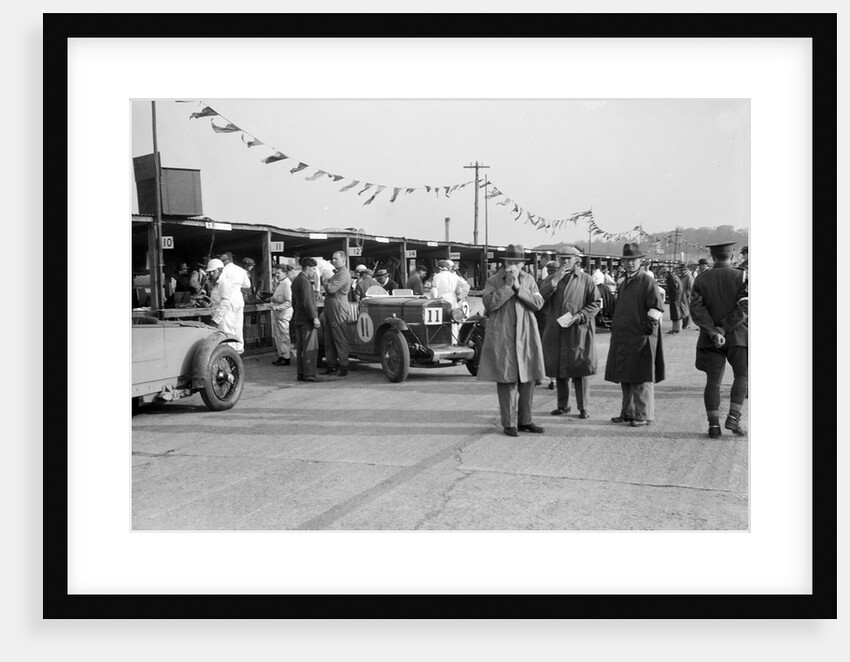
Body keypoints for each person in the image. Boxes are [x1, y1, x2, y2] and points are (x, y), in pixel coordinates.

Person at [477, 244, 546, 437]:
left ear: (523, 264)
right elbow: (489, 304)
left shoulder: (530, 280)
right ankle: (509, 423)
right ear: (504, 263)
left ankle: (526, 420)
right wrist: (508, 286)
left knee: (528, 378)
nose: (514, 266)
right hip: (503, 334)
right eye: (510, 262)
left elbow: (538, 303)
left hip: (526, 334)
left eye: (517, 262)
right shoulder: (493, 280)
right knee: (506, 379)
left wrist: (519, 288)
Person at [690, 241, 749, 438]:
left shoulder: (701, 278)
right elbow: (744, 308)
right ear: (732, 257)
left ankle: (713, 426)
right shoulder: (743, 276)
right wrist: (725, 327)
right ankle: (733, 417)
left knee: (713, 381)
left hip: (710, 338)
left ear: (712, 258)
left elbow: (697, 310)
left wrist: (714, 331)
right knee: (742, 376)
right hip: (739, 336)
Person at [604, 243, 666, 427]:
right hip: (624, 337)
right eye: (627, 260)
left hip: (640, 337)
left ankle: (644, 414)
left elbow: (657, 308)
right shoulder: (624, 282)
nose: (630, 263)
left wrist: (645, 327)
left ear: (640, 261)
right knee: (626, 376)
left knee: (641, 377)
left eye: (633, 260)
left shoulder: (647, 281)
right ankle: (628, 412)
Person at [539, 245, 601, 419]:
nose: (565, 262)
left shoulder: (586, 280)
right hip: (557, 331)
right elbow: (540, 298)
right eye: (562, 259)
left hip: (578, 330)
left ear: (576, 260)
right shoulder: (552, 278)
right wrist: (555, 279)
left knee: (580, 370)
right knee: (560, 370)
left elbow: (596, 303)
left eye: (568, 258)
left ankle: (583, 408)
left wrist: (580, 316)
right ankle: (563, 405)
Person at [321, 250, 352, 376]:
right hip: (331, 304)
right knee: (328, 337)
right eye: (332, 259)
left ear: (343, 260)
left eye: (335, 259)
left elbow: (331, 288)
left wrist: (325, 282)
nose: (333, 261)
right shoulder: (338, 273)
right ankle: (331, 364)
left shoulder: (343, 274)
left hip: (338, 305)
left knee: (339, 336)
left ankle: (343, 365)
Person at [291, 257, 322, 382]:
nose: (314, 272)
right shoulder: (305, 282)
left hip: (298, 317)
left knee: (300, 348)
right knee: (310, 348)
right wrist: (314, 317)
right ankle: (309, 374)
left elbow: (294, 301)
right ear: (307, 268)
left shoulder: (296, 280)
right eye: (313, 269)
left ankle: (301, 373)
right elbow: (307, 302)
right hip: (306, 319)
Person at [205, 258, 245, 354]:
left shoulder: (224, 282)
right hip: (220, 314)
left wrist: (216, 320)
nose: (211, 274)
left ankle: (232, 358)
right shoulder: (216, 283)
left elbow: (225, 303)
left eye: (213, 271)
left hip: (224, 314)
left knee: (227, 336)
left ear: (220, 270)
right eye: (209, 272)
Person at [430, 259, 470, 343]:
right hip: (453, 302)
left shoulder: (437, 276)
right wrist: (460, 297)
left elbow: (434, 290)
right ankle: (454, 342)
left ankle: (442, 341)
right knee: (454, 323)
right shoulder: (455, 276)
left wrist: (433, 299)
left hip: (441, 302)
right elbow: (466, 286)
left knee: (441, 323)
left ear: (440, 268)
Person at [536, 260, 560, 389]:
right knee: (556, 350)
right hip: (557, 319)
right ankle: (554, 379)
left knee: (541, 348)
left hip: (542, 318)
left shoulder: (541, 283)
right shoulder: (563, 283)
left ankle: (539, 376)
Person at [270, 265, 293, 366]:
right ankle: (282, 355)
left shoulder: (287, 284)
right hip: (278, 313)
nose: (277, 274)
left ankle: (286, 356)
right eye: (276, 272)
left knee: (284, 335)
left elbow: (289, 302)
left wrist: (277, 307)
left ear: (285, 273)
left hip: (283, 313)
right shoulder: (280, 284)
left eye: (279, 273)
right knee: (279, 335)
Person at [663, 266, 686, 334]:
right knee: (677, 313)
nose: (663, 276)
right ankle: (677, 328)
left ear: (666, 273)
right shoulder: (673, 277)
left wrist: (674, 299)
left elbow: (675, 290)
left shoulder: (672, 278)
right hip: (678, 298)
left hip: (676, 299)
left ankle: (676, 329)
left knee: (676, 314)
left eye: (663, 274)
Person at [675, 262, 694, 329]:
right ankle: (684, 324)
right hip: (681, 295)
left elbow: (690, 287)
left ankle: (687, 324)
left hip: (686, 296)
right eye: (680, 270)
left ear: (685, 270)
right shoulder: (681, 276)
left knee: (686, 310)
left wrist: (687, 294)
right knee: (682, 310)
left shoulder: (688, 276)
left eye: (682, 270)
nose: (681, 271)